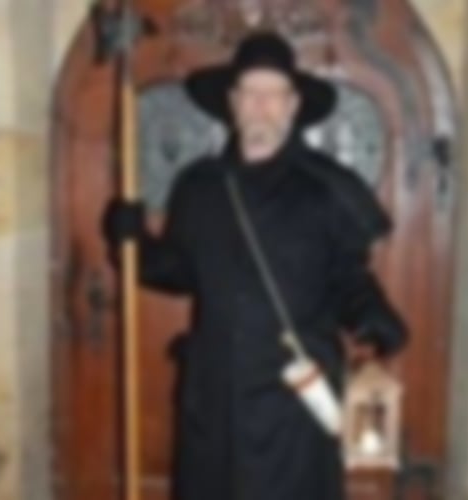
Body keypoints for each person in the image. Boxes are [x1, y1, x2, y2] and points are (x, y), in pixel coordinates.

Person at [102, 30, 408, 500]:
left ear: (292, 104)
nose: (261, 105)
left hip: (294, 396)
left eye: (273, 93)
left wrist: (372, 316)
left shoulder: (327, 189)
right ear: (232, 102)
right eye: (250, 91)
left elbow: (347, 276)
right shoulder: (199, 186)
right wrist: (131, 243)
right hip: (215, 396)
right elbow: (179, 272)